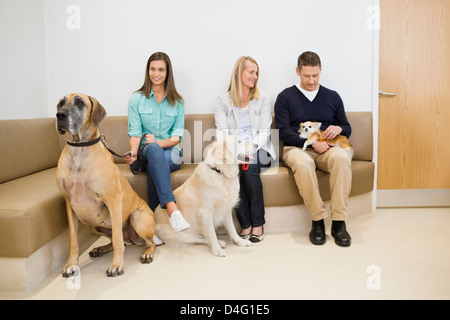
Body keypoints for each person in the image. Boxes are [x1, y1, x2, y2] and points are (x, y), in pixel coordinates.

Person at [274, 51, 352, 247]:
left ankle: (339, 222)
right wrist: (310, 142)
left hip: (328, 147)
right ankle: (317, 220)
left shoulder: (333, 97)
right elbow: (283, 132)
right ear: (297, 71)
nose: (311, 80)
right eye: (306, 75)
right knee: (303, 163)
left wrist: (340, 128)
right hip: (297, 148)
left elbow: (347, 127)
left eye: (315, 75)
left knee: (342, 158)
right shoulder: (285, 97)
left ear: (320, 71)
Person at [126, 52, 190, 234]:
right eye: (152, 69)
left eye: (161, 70)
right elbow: (135, 133)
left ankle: (152, 229)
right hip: (145, 153)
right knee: (153, 150)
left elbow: (177, 138)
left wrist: (158, 143)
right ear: (147, 71)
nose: (156, 73)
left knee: (157, 156)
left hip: (172, 154)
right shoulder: (136, 99)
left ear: (167, 73)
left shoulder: (177, 102)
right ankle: (172, 210)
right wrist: (133, 153)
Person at [214, 56, 276, 243]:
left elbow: (265, 131)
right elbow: (222, 132)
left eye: (256, 73)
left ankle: (258, 223)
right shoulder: (222, 101)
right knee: (231, 171)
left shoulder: (262, 98)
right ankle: (245, 224)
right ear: (238, 72)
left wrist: (249, 150)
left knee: (249, 167)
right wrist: (233, 153)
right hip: (234, 150)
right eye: (251, 72)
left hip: (260, 149)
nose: (255, 76)